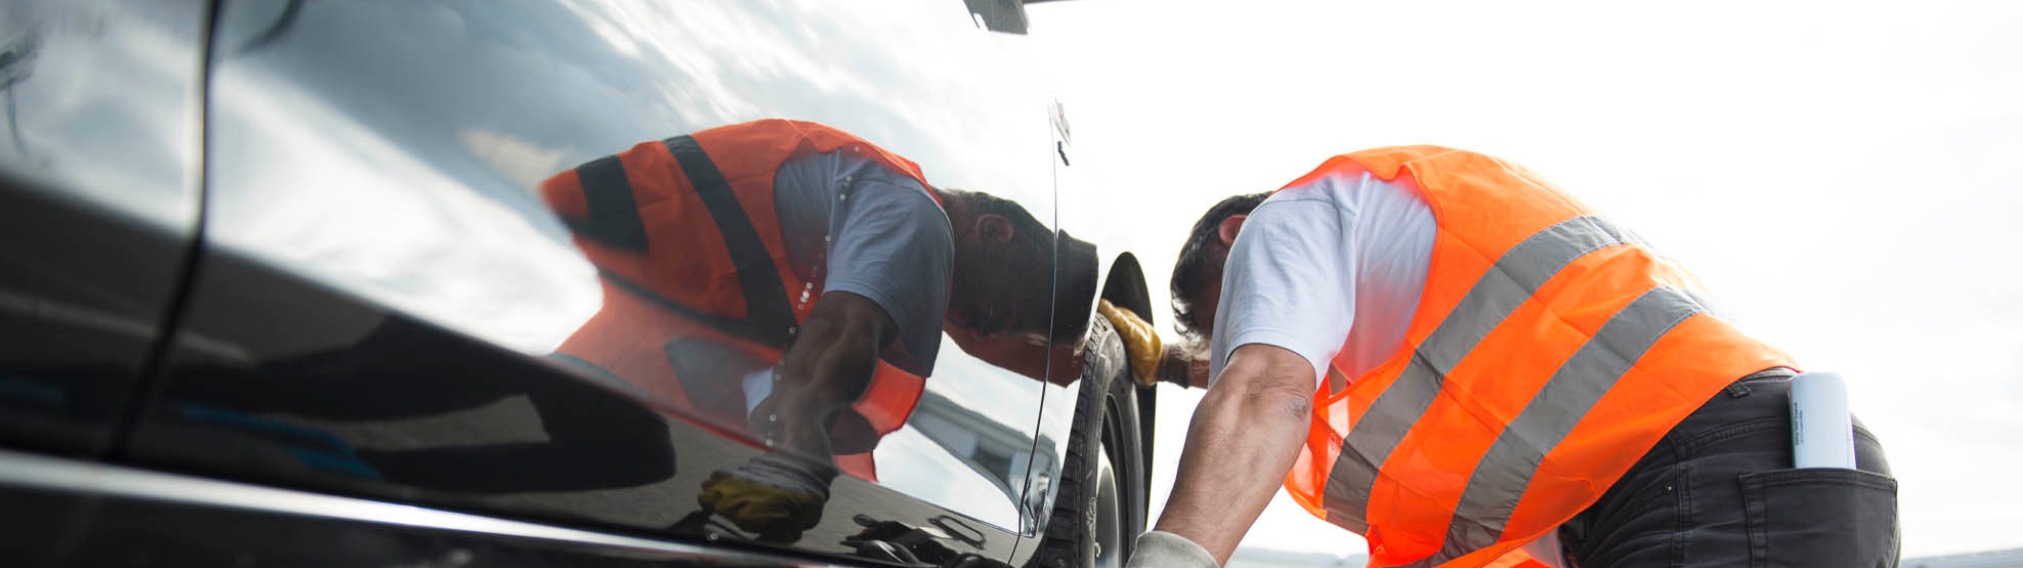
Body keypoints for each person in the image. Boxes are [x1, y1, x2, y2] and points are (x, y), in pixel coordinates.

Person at [1122, 146, 1899, 568]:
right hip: (1778, 478)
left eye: (1235, 316)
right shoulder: (1436, 288)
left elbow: (1265, 389)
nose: (1246, 341)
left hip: (1713, 488)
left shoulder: (1290, 220)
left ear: (1233, 236)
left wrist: (1173, 561)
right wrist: (1174, 366)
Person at [538, 118, 1094, 542]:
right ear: (994, 232)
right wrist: (794, 462)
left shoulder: (869, 205)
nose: (978, 326)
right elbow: (842, 330)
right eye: (997, 311)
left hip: (615, 369)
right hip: (620, 377)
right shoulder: (917, 217)